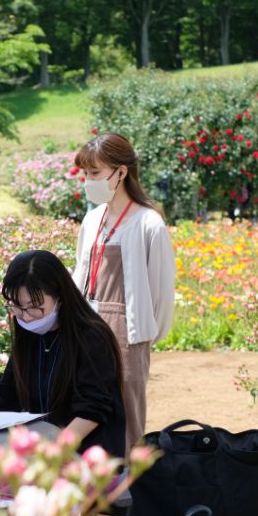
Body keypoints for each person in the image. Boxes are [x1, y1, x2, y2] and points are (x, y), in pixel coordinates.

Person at [72, 133, 176, 451]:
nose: (88, 181)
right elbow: (80, 274)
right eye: (85, 174)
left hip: (126, 333)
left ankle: (129, 495)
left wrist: (143, 335)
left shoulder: (148, 223)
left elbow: (161, 291)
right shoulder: (92, 220)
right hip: (86, 327)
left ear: (121, 172)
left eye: (95, 173)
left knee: (128, 417)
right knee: (85, 411)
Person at [0, 250, 126, 458]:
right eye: (17, 307)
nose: (26, 317)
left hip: (86, 459)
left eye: (35, 308)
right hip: (42, 454)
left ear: (60, 297)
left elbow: (91, 412)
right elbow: (5, 395)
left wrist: (51, 454)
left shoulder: (91, 337)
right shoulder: (30, 335)